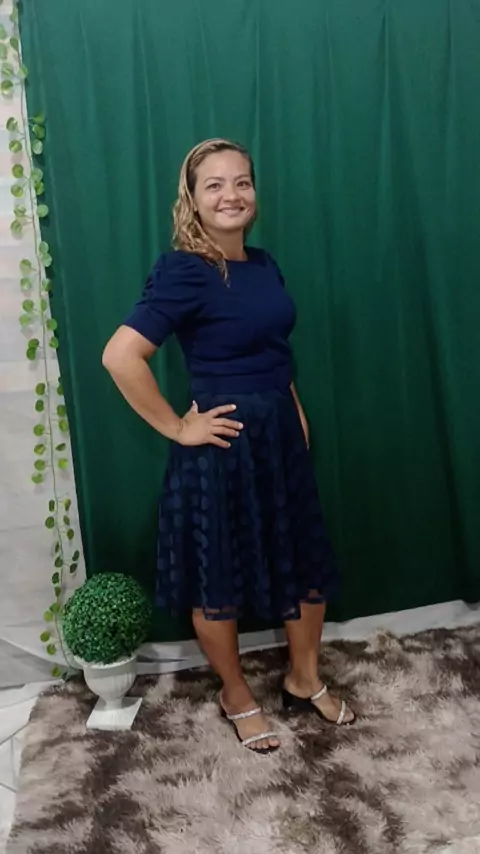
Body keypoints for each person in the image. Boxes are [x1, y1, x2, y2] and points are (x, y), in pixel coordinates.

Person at [102, 138, 355, 755]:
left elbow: (275, 351)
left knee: (303, 563)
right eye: (214, 185)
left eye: (241, 181)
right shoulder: (184, 270)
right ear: (191, 198)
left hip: (279, 441)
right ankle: (236, 694)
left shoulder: (264, 265)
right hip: (222, 447)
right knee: (219, 575)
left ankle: (303, 679)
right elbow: (120, 356)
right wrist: (177, 427)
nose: (231, 195)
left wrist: (295, 412)